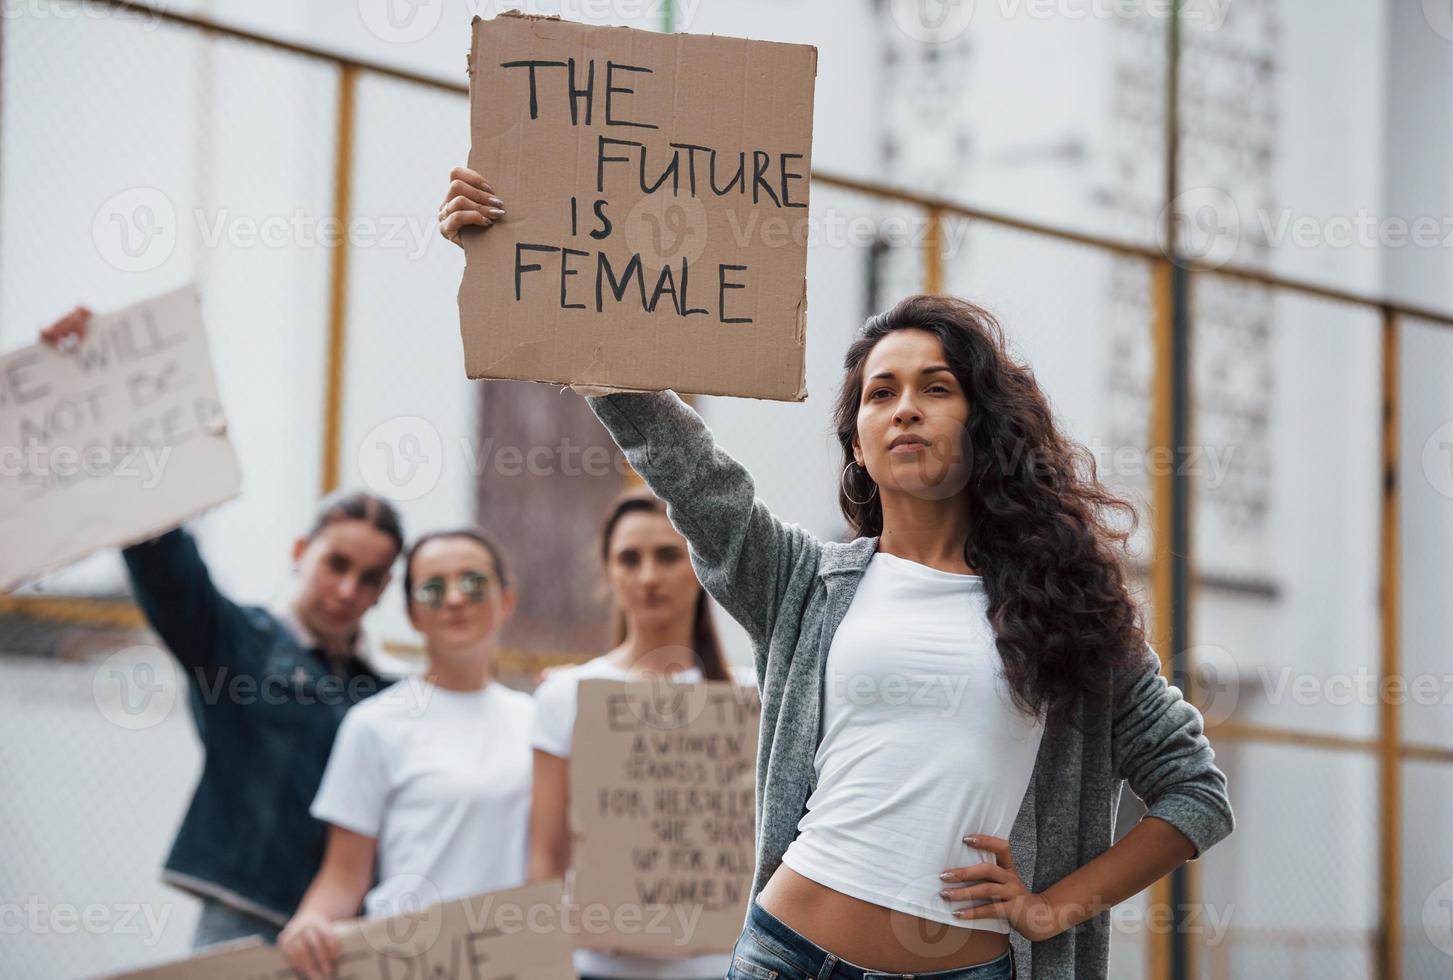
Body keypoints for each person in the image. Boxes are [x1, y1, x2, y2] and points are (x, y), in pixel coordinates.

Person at [440, 171, 1235, 980]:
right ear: (856, 442)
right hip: (787, 953)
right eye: (879, 393)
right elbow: (690, 470)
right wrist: (522, 262)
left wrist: (1053, 907)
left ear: (984, 425)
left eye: (937, 387)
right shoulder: (804, 585)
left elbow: (1193, 792)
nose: (905, 408)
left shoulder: (1068, 612)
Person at [40, 308, 405, 949]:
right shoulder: (237, 645)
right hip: (241, 924)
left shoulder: (387, 700)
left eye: (371, 577)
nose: (349, 590)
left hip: (349, 934)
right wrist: (91, 374)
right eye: (336, 564)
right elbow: (161, 557)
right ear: (301, 551)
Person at [279, 529, 534, 980]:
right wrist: (311, 923)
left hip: (516, 965)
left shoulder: (542, 724)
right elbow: (343, 876)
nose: (454, 599)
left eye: (473, 583)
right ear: (412, 613)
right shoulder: (375, 724)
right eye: (432, 588)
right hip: (410, 966)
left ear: (507, 600)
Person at [529, 490, 740, 980]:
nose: (648, 577)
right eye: (629, 559)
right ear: (608, 572)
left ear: (699, 565)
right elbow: (547, 856)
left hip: (720, 966)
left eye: (668, 556)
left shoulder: (749, 697)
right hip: (599, 965)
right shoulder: (566, 694)